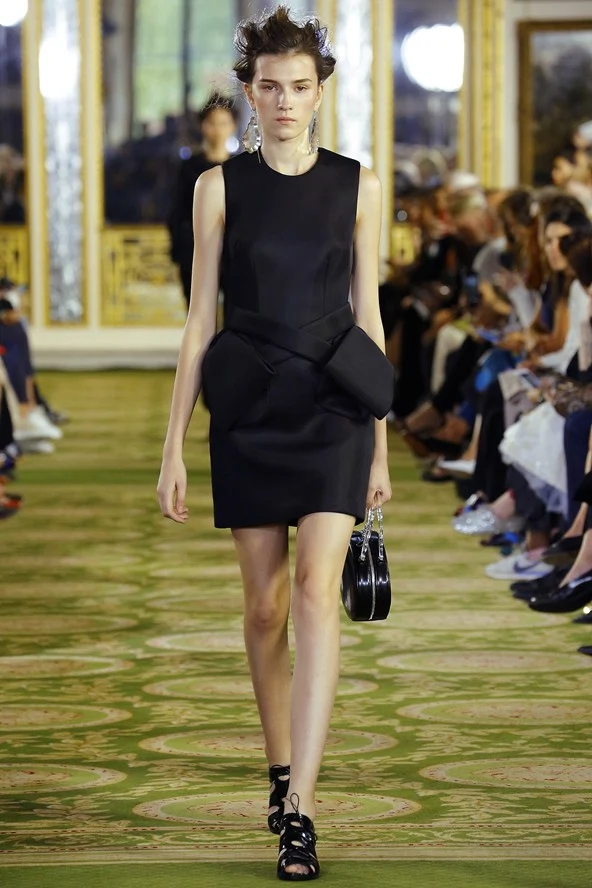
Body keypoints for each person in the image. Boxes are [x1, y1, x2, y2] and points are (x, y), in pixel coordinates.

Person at [156, 6, 391, 881]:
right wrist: (173, 445)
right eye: (269, 87)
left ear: (321, 92)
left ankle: (302, 812)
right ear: (248, 94)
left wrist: (378, 446)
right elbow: (198, 323)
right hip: (250, 407)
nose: (284, 101)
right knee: (264, 607)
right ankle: (280, 767)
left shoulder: (359, 186)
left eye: (298, 86)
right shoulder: (218, 188)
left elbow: (369, 316)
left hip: (334, 408)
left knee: (318, 594)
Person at [167, 95, 237, 308]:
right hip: (196, 249)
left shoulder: (240, 167)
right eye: (212, 123)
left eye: (223, 123)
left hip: (233, 253)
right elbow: (178, 210)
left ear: (233, 126)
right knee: (198, 310)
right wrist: (181, 248)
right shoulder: (190, 167)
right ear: (203, 126)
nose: (218, 130)